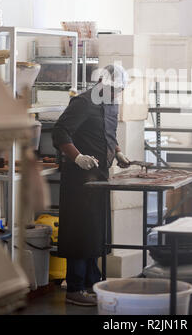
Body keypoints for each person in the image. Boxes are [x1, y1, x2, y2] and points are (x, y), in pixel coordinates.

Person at [52, 64, 131, 306]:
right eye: (115, 88)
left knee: (95, 232)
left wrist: (117, 152)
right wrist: (77, 157)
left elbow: (108, 132)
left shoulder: (111, 103)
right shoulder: (84, 102)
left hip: (100, 176)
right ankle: (74, 288)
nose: (117, 93)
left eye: (120, 89)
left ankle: (91, 283)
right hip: (80, 180)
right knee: (80, 232)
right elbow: (60, 132)